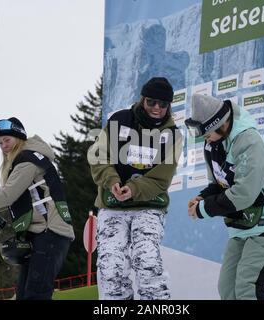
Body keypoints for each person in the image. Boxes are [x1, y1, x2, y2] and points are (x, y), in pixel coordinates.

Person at [185, 94, 264, 300]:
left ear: (219, 124)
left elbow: (244, 194)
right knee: (228, 289)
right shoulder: (213, 144)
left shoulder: (249, 141)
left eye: (204, 130)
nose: (202, 136)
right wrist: (202, 198)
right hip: (246, 223)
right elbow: (219, 184)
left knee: (248, 287)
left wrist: (204, 210)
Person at [89, 77, 183, 300]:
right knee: (110, 265)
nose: (157, 108)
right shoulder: (119, 120)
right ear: (143, 99)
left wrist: (132, 189)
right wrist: (113, 182)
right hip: (113, 206)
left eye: (163, 104)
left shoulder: (173, 135)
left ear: (168, 106)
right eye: (151, 102)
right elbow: (99, 156)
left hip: (148, 206)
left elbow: (161, 179)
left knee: (147, 260)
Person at [0, 117, 75, 300]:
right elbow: (16, 200)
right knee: (23, 294)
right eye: (0, 142)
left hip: (51, 232)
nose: (3, 145)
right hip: (39, 233)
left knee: (35, 293)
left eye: (7, 140)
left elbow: (7, 195)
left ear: (19, 137)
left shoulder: (27, 160)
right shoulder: (22, 161)